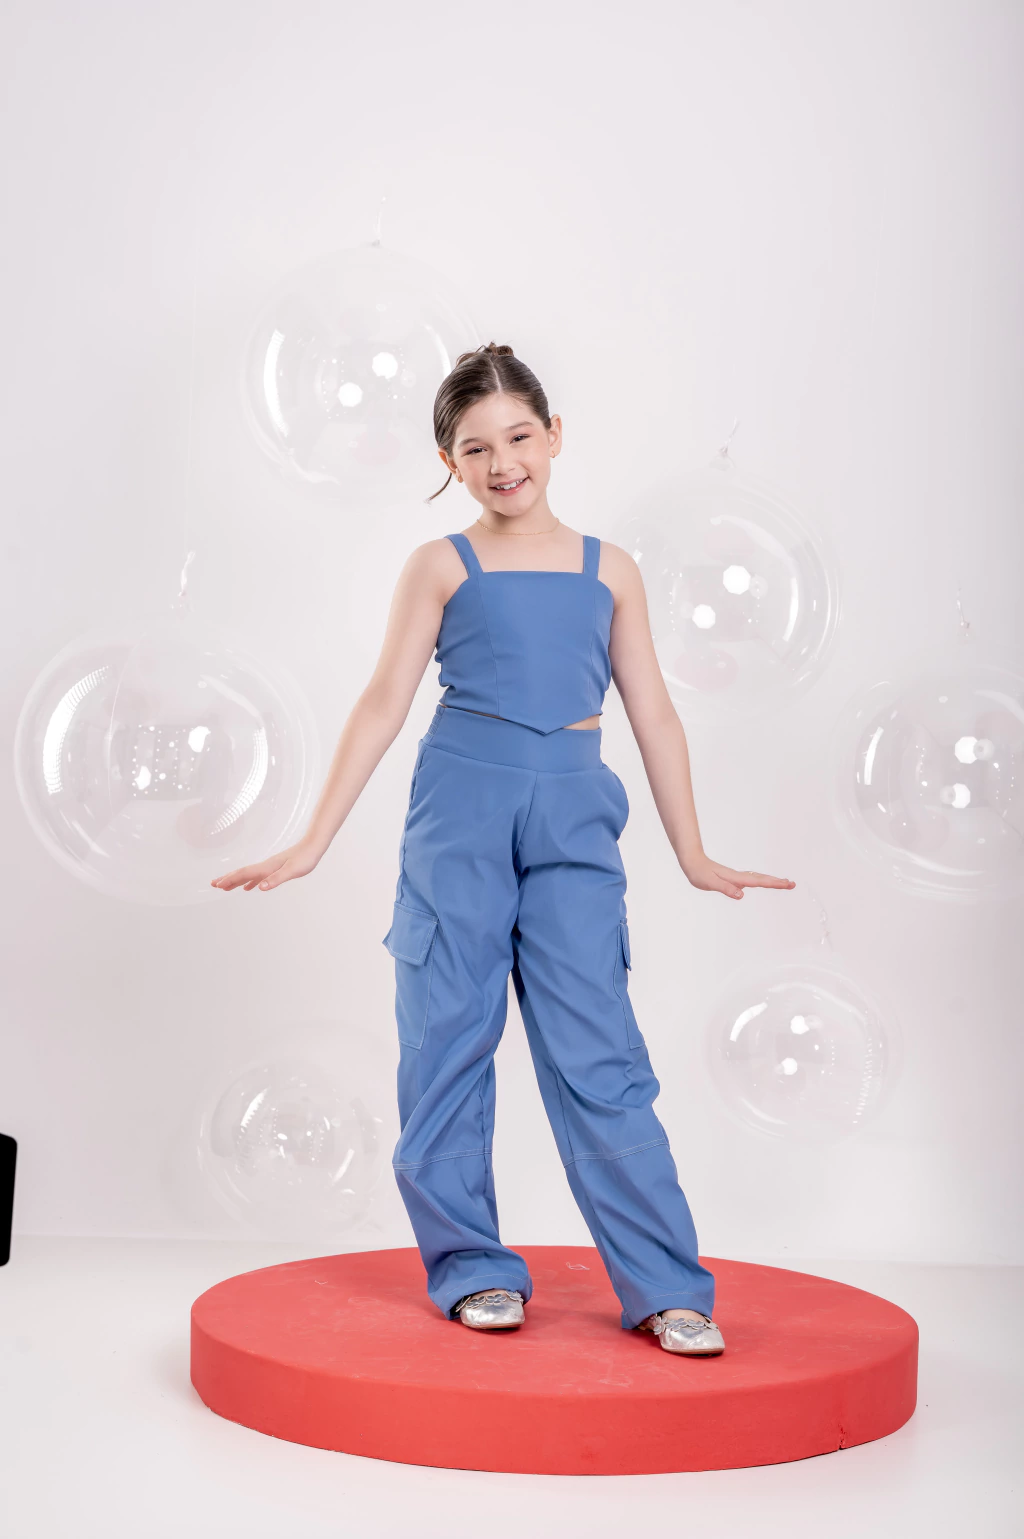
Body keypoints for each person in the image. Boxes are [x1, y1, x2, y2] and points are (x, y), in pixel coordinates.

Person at [212, 342, 795, 1357]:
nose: (501, 462)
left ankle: (665, 1286)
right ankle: (471, 1268)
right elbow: (382, 702)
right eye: (474, 448)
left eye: (518, 436)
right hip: (461, 814)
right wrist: (311, 841)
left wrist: (693, 853)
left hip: (574, 816)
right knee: (447, 1044)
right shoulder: (440, 565)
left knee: (600, 1057)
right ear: (449, 460)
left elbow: (653, 712)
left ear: (554, 435)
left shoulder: (610, 569)